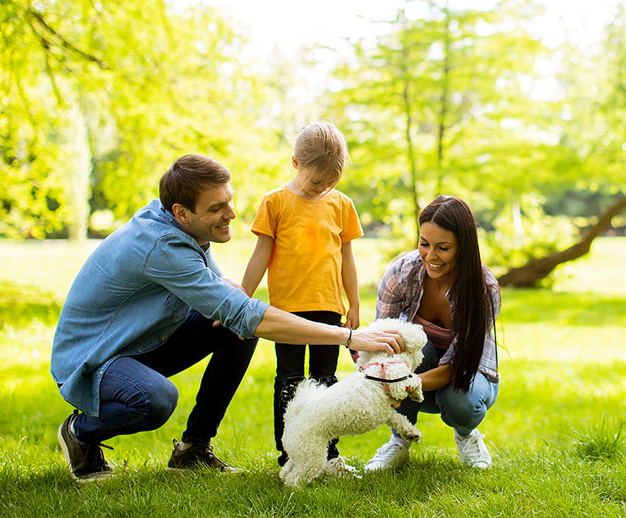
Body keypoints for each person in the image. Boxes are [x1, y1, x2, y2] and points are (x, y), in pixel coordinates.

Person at [51, 153, 404, 482]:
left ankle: (193, 448)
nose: (232, 214)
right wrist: (347, 336)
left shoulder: (177, 223)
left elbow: (225, 296)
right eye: (217, 208)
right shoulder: (162, 245)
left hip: (135, 341)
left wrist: (232, 294)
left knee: (237, 330)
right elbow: (244, 311)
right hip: (93, 358)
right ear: (181, 212)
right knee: (156, 399)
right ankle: (80, 433)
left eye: (230, 200)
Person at [241, 122, 363, 473]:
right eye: (316, 181)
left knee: (326, 385)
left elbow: (347, 257)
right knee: (290, 383)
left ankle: (328, 457)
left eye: (331, 182)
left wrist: (353, 303)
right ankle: (291, 455)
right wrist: (241, 302)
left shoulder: (342, 205)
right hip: (288, 312)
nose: (323, 188)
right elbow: (260, 255)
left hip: (328, 307)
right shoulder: (275, 202)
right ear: (295, 163)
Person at [364, 195, 501, 471]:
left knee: (460, 402)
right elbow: (380, 341)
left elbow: (457, 367)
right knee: (399, 347)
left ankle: (467, 435)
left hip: (464, 378)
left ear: (464, 247)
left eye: (443, 248)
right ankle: (399, 442)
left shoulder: (483, 289)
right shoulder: (401, 274)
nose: (430, 256)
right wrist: (382, 373)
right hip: (418, 369)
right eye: (424, 244)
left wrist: (403, 383)